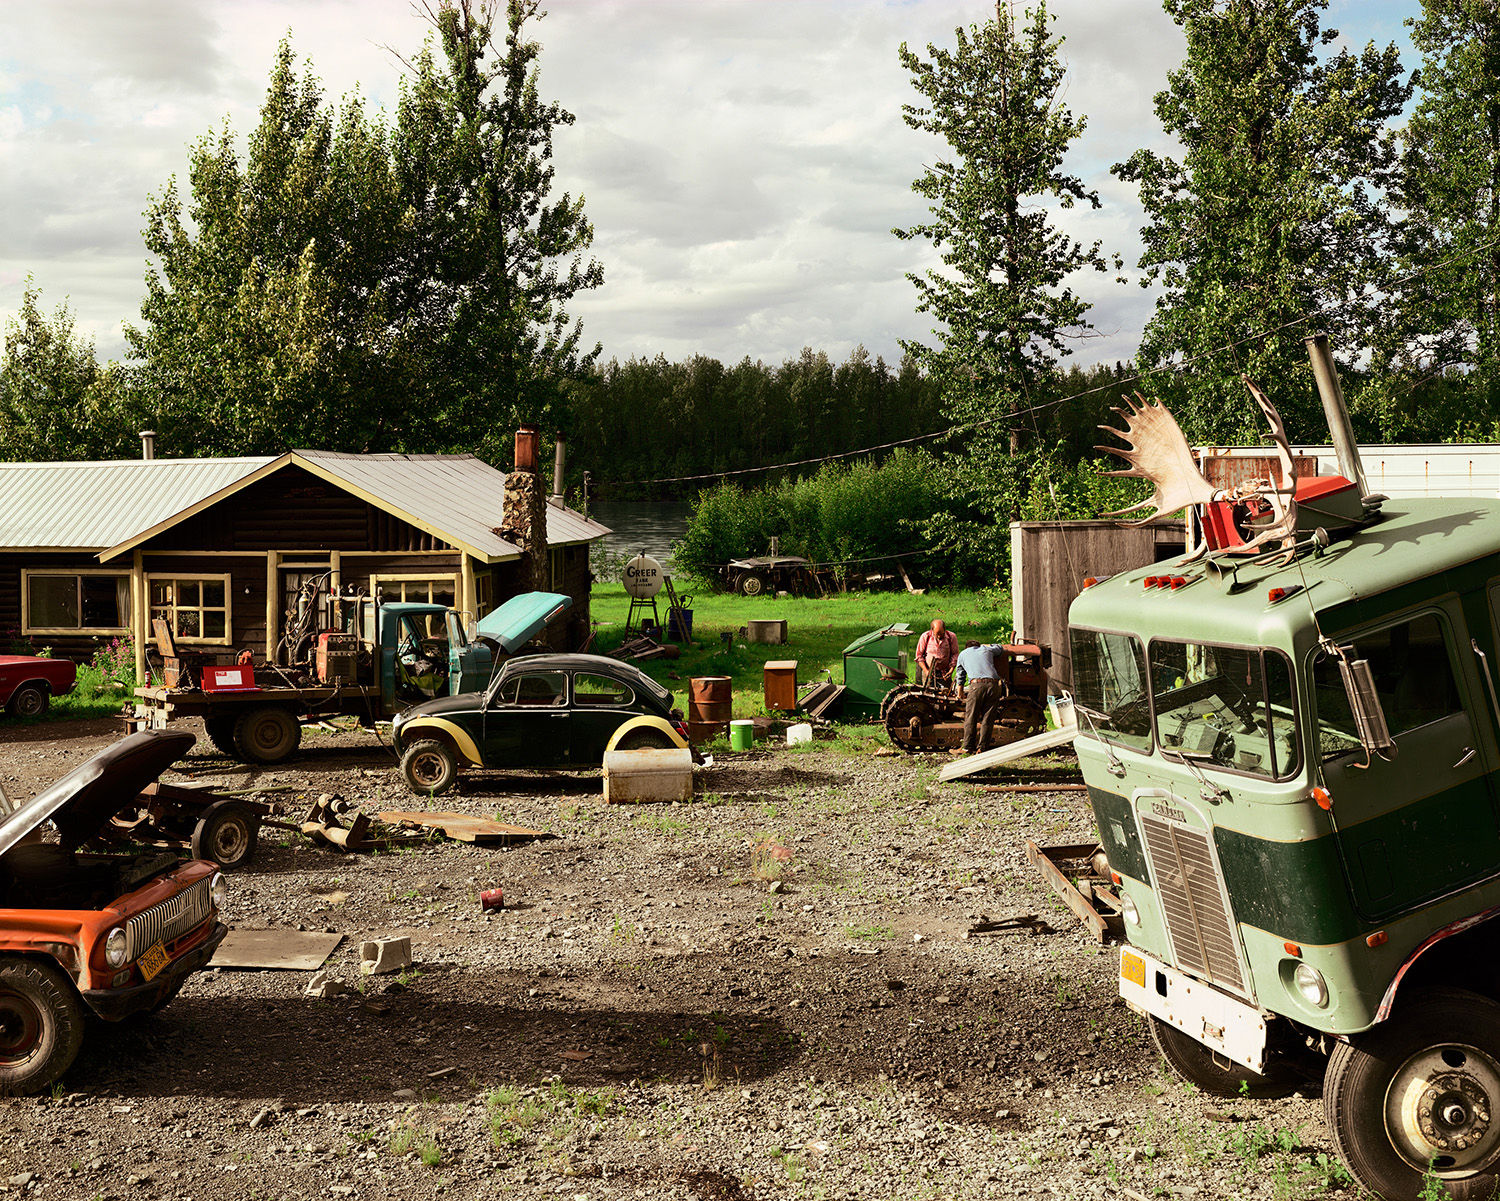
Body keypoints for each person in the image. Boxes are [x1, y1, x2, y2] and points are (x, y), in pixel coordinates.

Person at [955, 640, 1002, 755]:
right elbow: (1000, 648)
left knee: (971, 716)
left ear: (967, 647)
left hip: (977, 685)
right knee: (988, 719)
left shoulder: (963, 654)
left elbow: (960, 675)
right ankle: (982, 748)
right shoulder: (986, 649)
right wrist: (987, 645)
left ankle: (967, 747)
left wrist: (959, 693)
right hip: (994, 685)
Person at [915, 619, 958, 687]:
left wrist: (951, 670)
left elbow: (955, 655)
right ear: (932, 630)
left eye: (942, 634)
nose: (939, 636)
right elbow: (919, 656)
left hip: (945, 673)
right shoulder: (925, 636)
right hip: (929, 671)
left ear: (945, 630)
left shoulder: (951, 637)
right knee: (928, 693)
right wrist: (926, 671)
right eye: (937, 634)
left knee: (945, 693)